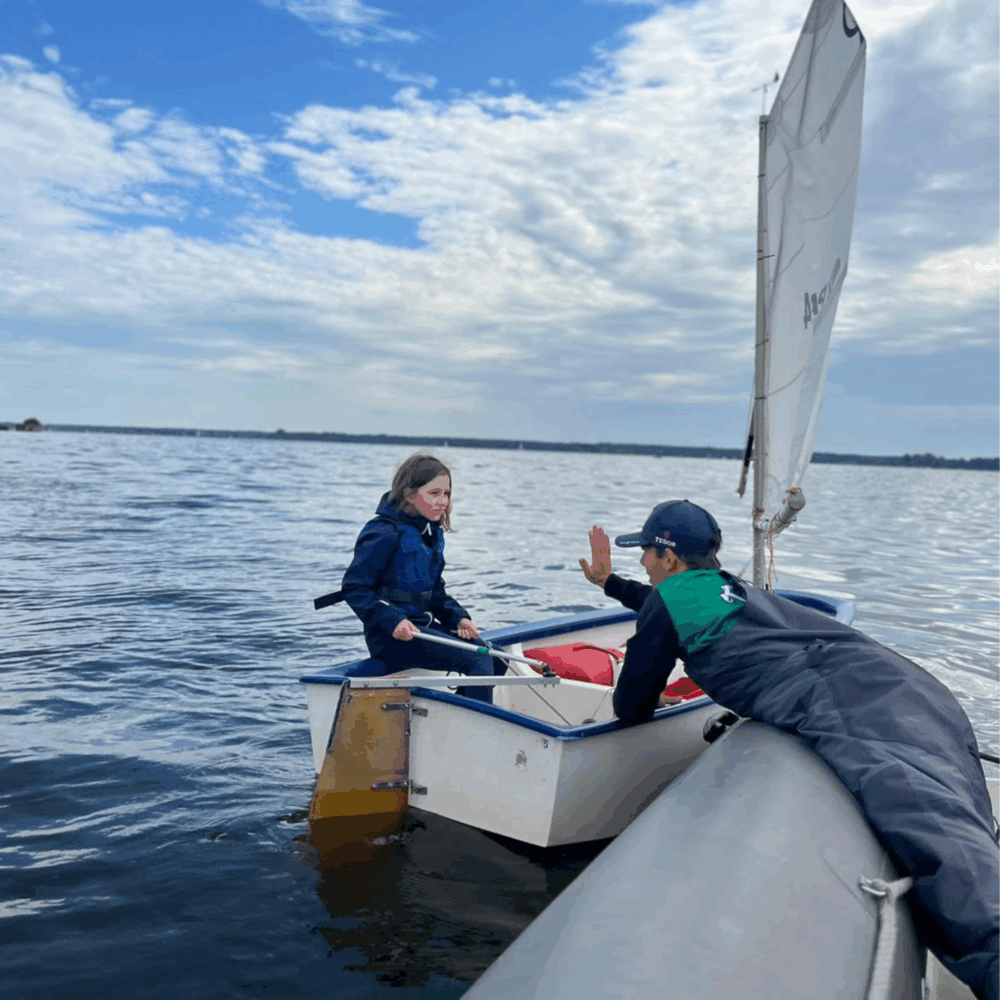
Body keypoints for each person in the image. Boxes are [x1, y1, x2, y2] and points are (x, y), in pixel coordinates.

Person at [579, 500, 999, 1000]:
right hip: (898, 680)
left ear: (669, 559)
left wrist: (651, 663)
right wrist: (608, 584)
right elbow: (660, 603)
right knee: (960, 815)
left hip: (847, 698)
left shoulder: (667, 604)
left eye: (646, 552)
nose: (641, 562)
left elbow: (631, 707)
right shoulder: (725, 587)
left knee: (931, 831)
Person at [340, 453, 499, 704]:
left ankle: (461, 716)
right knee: (478, 659)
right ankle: (478, 730)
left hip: (422, 628)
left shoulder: (429, 532)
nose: (443, 501)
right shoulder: (383, 532)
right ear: (410, 494)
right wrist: (393, 621)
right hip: (391, 638)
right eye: (434, 493)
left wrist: (458, 616)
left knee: (496, 656)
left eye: (446, 494)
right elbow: (355, 588)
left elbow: (435, 592)